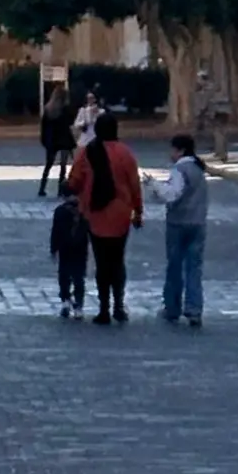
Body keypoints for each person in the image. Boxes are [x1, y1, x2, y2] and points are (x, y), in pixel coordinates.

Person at [69, 111, 143, 324]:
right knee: (117, 260)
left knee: (101, 262)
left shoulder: (87, 152)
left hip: (96, 214)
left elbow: (75, 181)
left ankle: (103, 309)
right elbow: (134, 186)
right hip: (120, 213)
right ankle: (119, 305)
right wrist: (138, 212)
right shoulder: (125, 154)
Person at [153, 131, 209, 329]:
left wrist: (155, 186)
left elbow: (172, 194)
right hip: (198, 222)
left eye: (173, 149)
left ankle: (172, 307)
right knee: (194, 268)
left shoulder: (180, 169)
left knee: (175, 266)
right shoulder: (198, 169)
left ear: (180, 150)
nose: (170, 153)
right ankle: (194, 309)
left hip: (178, 223)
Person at [47, 184, 92, 319]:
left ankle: (65, 300)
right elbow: (90, 230)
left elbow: (55, 232)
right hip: (80, 248)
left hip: (64, 248)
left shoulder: (59, 211)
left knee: (64, 274)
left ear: (63, 196)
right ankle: (78, 305)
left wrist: (53, 249)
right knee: (79, 277)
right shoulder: (84, 211)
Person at [36, 85, 76, 198]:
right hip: (64, 138)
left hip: (52, 139)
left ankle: (42, 188)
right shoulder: (65, 109)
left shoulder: (48, 109)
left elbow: (44, 126)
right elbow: (70, 122)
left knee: (48, 164)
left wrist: (44, 140)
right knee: (63, 166)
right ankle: (60, 190)